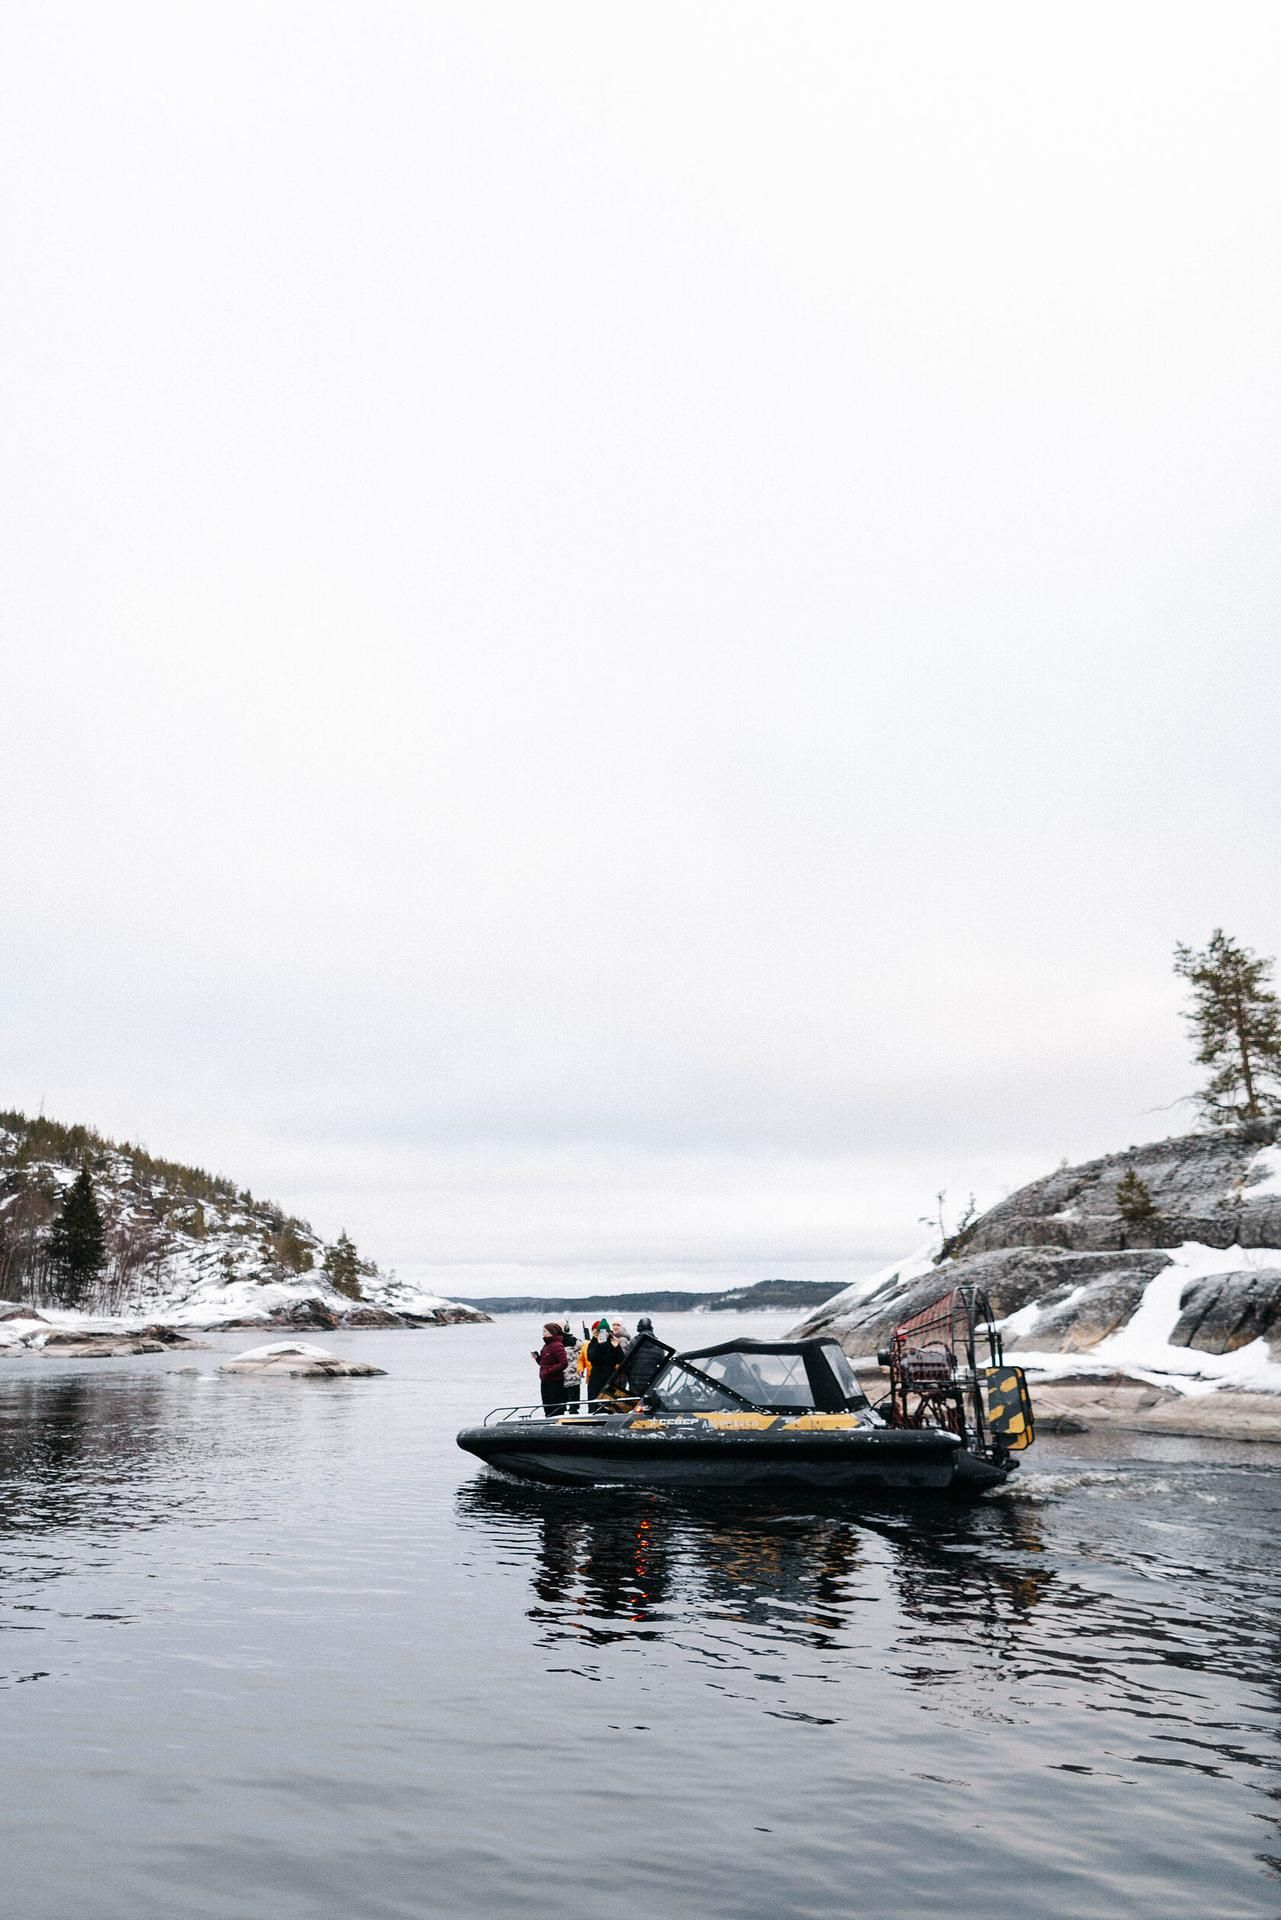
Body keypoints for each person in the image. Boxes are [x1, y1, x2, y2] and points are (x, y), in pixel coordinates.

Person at [533, 1321, 571, 1417]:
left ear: (552, 1332)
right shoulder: (546, 1346)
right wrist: (537, 1358)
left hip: (555, 1381)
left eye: (545, 1331)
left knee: (555, 1406)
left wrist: (549, 1371)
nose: (543, 1333)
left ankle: (557, 1421)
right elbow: (544, 1363)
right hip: (545, 1380)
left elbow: (563, 1363)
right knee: (547, 1405)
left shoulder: (557, 1345)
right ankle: (548, 1419)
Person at [586, 1318, 621, 1403]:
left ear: (609, 1332)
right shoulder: (593, 1343)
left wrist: (617, 1347)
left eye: (605, 1332)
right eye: (601, 1333)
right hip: (596, 1378)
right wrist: (599, 1344)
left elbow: (621, 1360)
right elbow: (591, 1357)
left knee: (609, 1404)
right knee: (594, 1403)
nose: (603, 1335)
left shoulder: (613, 1342)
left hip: (610, 1378)